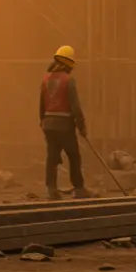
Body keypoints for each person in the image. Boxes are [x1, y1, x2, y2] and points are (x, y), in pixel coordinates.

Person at [40, 45, 89, 200]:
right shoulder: (68, 80)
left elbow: (41, 105)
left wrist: (43, 123)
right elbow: (75, 107)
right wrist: (81, 126)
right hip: (65, 125)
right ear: (68, 64)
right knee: (74, 156)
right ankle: (79, 189)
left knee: (52, 158)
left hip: (49, 124)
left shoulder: (45, 79)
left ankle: (51, 189)